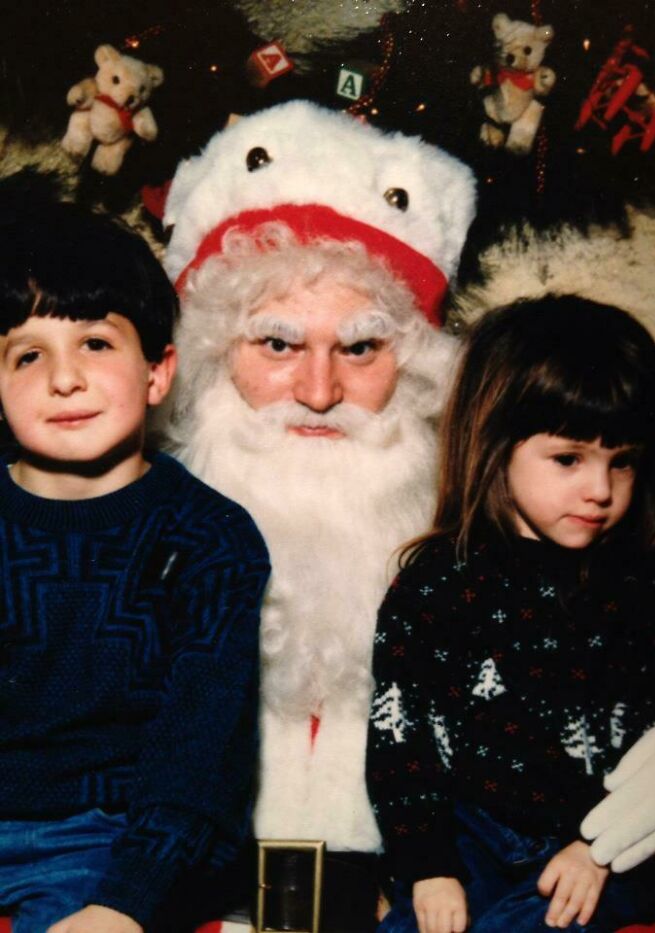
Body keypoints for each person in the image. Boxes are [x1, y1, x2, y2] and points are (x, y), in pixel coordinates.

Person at [161, 100, 478, 929]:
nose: (318, 393)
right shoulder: (143, 540)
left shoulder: (475, 552)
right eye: (277, 343)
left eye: (362, 346)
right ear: (208, 357)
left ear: (414, 367)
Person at [367, 295, 655, 932]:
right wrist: (427, 867)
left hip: (609, 845)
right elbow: (400, 740)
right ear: (496, 446)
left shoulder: (654, 579)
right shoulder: (436, 584)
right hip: (475, 837)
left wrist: (599, 851)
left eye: (622, 462)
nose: (601, 490)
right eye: (569, 459)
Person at [0, 185, 269, 933]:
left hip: (114, 838)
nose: (64, 378)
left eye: (95, 342)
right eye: (28, 354)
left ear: (157, 370)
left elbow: (200, 748)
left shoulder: (209, 539)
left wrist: (125, 900)